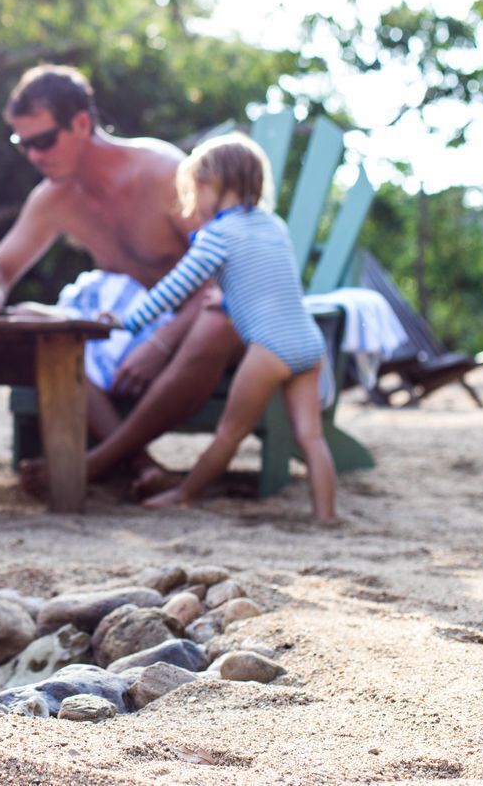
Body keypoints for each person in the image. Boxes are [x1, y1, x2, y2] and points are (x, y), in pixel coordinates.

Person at [0, 64, 243, 494]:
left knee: (221, 317)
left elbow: (229, 277)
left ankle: (99, 461)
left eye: (44, 141)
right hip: (130, 329)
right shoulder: (55, 199)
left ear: (82, 124)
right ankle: (141, 464)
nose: (34, 155)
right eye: (23, 144)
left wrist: (161, 343)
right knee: (41, 329)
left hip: (202, 321)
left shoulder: (163, 174)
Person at [111, 134, 337, 521]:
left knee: (229, 433)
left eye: (196, 189)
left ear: (215, 184)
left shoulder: (217, 237)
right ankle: (326, 515)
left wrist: (128, 321)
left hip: (269, 349)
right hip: (309, 343)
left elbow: (174, 289)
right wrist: (230, 298)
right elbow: (265, 282)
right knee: (312, 437)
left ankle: (184, 495)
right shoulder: (275, 226)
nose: (194, 201)